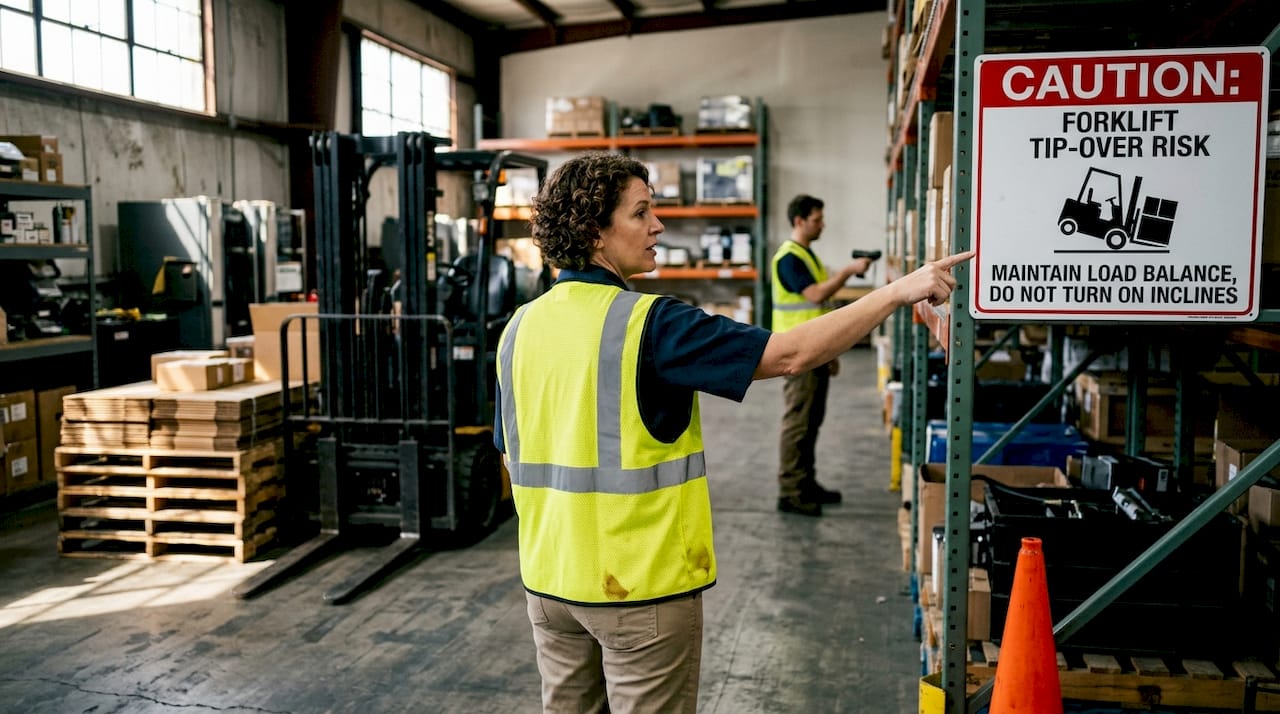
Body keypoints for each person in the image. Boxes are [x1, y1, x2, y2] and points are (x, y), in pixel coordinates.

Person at [494, 151, 971, 714]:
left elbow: (513, 455)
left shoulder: (518, 328)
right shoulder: (650, 323)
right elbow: (789, 355)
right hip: (637, 593)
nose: (658, 226)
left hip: (549, 587)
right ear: (593, 232)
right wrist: (896, 292)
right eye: (641, 213)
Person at [770, 194, 872, 516]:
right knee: (798, 423)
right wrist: (848, 272)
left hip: (813, 352)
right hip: (796, 355)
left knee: (812, 421)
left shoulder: (806, 255)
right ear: (799, 221)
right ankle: (790, 491)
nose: (822, 224)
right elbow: (816, 295)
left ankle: (806, 483)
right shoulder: (789, 258)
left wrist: (830, 350)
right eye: (817, 219)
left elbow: (819, 310)